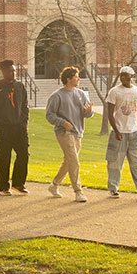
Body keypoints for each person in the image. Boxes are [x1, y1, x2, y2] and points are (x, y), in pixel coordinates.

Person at [103, 65, 137, 200]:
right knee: (115, 162)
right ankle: (113, 188)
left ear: (131, 77)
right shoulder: (114, 92)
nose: (123, 78)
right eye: (121, 75)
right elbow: (110, 114)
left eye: (125, 76)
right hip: (119, 132)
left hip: (134, 132)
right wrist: (116, 130)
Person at [44, 65, 91, 201]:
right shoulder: (57, 96)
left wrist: (89, 112)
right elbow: (49, 115)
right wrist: (62, 122)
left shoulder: (81, 94)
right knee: (74, 160)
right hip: (64, 132)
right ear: (68, 79)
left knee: (69, 161)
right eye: (76, 77)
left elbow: (87, 114)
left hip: (78, 132)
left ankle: (54, 185)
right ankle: (78, 191)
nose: (79, 79)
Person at [0, 58, 30, 195]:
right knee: (4, 158)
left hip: (19, 128)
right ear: (3, 72)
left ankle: (18, 183)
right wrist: (0, 127)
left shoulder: (20, 87)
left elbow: (25, 107)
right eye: (10, 71)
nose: (13, 73)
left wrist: (23, 123)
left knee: (23, 155)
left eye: (14, 70)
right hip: (4, 129)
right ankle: (3, 186)